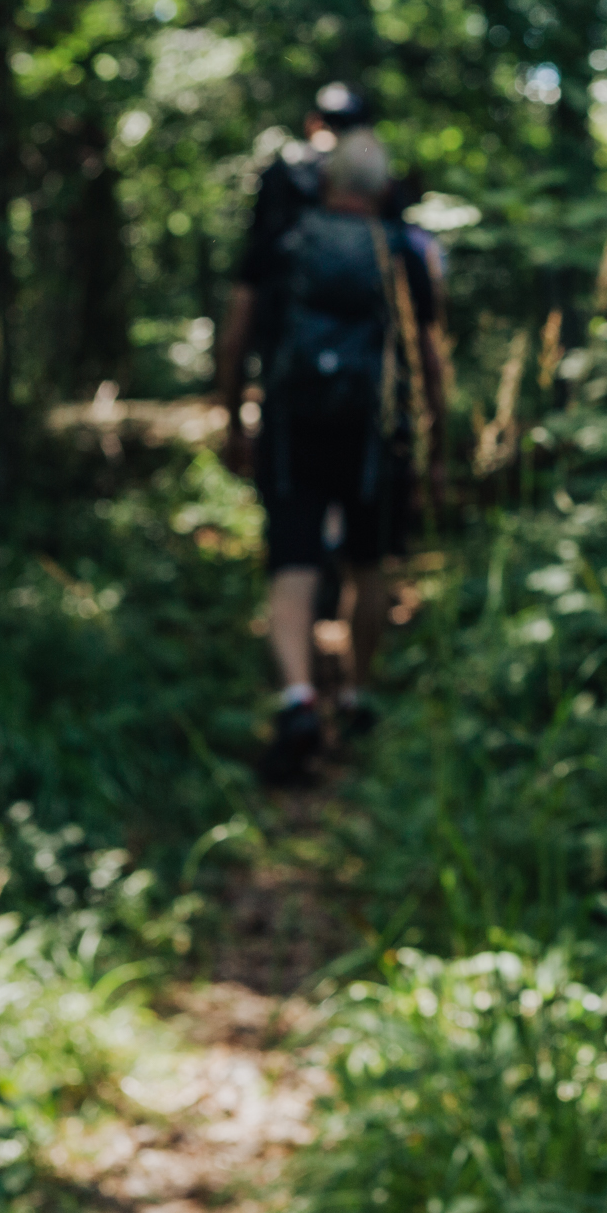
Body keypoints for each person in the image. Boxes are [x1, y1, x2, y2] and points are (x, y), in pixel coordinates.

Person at [217, 111, 443, 782]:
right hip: (377, 434)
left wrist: (232, 417)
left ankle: (296, 697)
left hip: (293, 425)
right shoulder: (402, 250)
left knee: (294, 562)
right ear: (381, 187)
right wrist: (436, 438)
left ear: (325, 181)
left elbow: (236, 336)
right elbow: (430, 353)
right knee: (369, 565)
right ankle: (354, 692)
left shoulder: (283, 239)